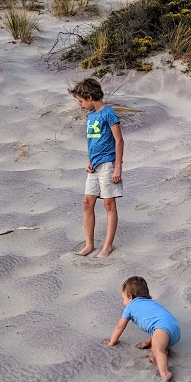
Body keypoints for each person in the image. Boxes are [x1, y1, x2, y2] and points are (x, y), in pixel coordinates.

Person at [69, 77, 123, 258]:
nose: (81, 105)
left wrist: (117, 168)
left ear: (89, 97)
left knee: (109, 204)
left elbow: (119, 140)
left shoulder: (108, 113)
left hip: (108, 164)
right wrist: (89, 159)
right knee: (87, 202)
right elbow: (93, 141)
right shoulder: (91, 115)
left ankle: (107, 246)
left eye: (81, 101)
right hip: (94, 165)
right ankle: (89, 244)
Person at [105, 276, 180, 382]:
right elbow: (155, 326)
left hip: (162, 327)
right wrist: (147, 342)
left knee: (158, 350)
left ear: (130, 297)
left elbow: (120, 326)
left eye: (123, 299)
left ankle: (165, 373)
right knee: (158, 343)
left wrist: (112, 342)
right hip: (173, 326)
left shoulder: (130, 307)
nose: (123, 302)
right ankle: (159, 354)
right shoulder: (151, 303)